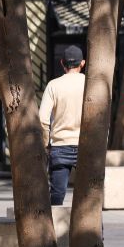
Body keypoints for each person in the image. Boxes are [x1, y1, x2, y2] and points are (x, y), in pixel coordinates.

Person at [40, 45, 85, 205]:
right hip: (85, 146)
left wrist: (46, 144)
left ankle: (55, 229)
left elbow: (43, 119)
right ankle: (93, 229)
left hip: (60, 146)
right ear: (83, 63)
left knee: (57, 196)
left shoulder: (54, 85)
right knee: (89, 197)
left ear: (62, 63)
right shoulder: (90, 84)